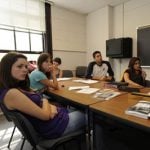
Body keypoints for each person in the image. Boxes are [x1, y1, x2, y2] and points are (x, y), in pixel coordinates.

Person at [0, 52, 85, 139]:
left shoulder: (17, 87)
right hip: (53, 127)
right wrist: (45, 101)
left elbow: (39, 103)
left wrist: (50, 107)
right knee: (94, 116)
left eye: (26, 66)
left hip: (53, 120)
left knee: (76, 109)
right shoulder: (11, 93)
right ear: (7, 68)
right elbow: (45, 115)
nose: (25, 70)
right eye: (19, 66)